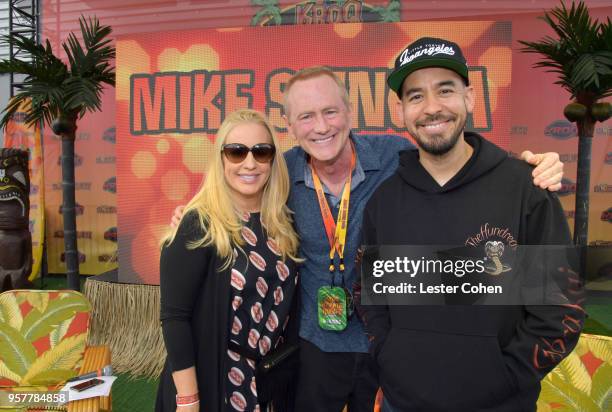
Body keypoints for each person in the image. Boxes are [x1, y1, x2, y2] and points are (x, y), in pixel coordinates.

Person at [171, 67, 565, 411]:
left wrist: (530, 164)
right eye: (306, 116)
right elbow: (233, 185)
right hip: (313, 346)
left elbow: (458, 157)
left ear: (350, 113)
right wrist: (189, 214)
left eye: (329, 111)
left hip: (385, 349)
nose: (321, 127)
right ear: (289, 125)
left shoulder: (396, 155)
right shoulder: (281, 172)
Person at [359, 37, 584, 411]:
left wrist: (505, 376)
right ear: (400, 111)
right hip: (404, 402)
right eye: (416, 96)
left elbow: (560, 311)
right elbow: (371, 300)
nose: (432, 108)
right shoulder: (384, 203)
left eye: (444, 90)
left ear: (469, 98)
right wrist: (390, 358)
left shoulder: (525, 190)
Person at [156, 109, 301, 412]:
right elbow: (175, 318)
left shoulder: (284, 221)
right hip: (215, 383)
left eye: (261, 152)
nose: (250, 163)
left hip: (268, 380)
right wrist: (188, 399)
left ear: (273, 159)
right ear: (220, 159)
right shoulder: (198, 223)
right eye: (236, 152)